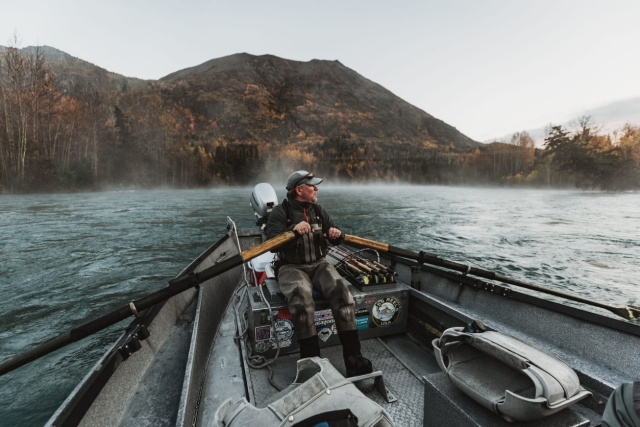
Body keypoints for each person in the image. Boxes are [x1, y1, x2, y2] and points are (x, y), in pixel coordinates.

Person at [265, 170, 373, 377]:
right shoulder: (281, 212)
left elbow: (334, 232)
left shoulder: (319, 210)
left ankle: (354, 358)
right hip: (291, 267)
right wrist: (293, 232)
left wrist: (336, 234)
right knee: (301, 299)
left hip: (320, 264)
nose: (316, 188)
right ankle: (311, 362)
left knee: (341, 291)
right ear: (299, 189)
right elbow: (271, 244)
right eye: (312, 185)